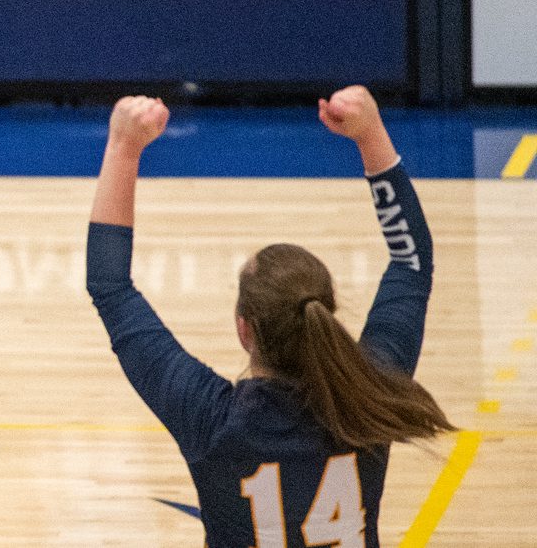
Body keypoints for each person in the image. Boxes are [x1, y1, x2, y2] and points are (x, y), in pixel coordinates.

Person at [85, 87, 455, 548]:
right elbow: (411, 263)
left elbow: (109, 286)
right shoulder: (370, 396)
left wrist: (123, 147)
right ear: (326, 313)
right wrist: (371, 135)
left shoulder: (213, 421)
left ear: (245, 330)